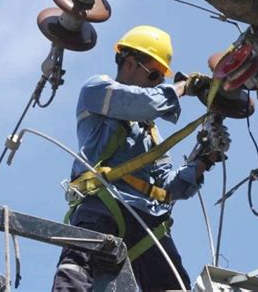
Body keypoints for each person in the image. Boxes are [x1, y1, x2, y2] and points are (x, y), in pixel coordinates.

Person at [52, 25, 219, 291]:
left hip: (145, 218)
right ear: (130, 63)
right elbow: (143, 103)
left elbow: (167, 187)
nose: (157, 85)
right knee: (77, 277)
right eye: (153, 75)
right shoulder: (97, 90)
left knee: (174, 285)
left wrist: (204, 160)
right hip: (102, 204)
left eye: (160, 80)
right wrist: (182, 88)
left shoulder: (151, 134)